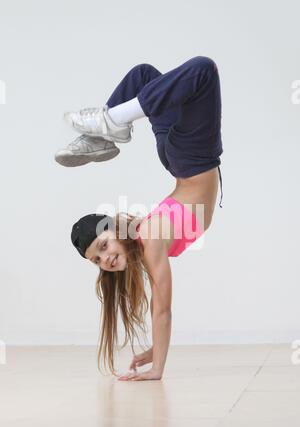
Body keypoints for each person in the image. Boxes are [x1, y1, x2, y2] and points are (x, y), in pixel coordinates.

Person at [57, 56, 224, 381]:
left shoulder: (148, 238)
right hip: (178, 158)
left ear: (116, 232)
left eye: (103, 245)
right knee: (147, 76)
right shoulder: (147, 240)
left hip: (192, 159)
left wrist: (158, 368)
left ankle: (108, 124)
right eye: (97, 259)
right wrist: (154, 352)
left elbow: (162, 310)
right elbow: (158, 309)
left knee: (200, 70)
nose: (105, 259)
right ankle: (103, 130)